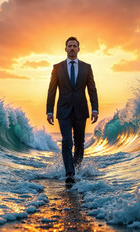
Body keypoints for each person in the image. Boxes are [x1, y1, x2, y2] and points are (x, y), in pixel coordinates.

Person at [46, 36, 99, 184]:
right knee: (67, 141)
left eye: (74, 46)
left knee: (80, 143)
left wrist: (95, 109)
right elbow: (52, 91)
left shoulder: (86, 67)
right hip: (63, 111)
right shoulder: (57, 68)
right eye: (69, 46)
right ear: (65, 49)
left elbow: (92, 90)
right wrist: (49, 111)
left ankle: (76, 168)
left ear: (78, 49)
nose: (72, 48)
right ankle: (70, 173)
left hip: (81, 110)